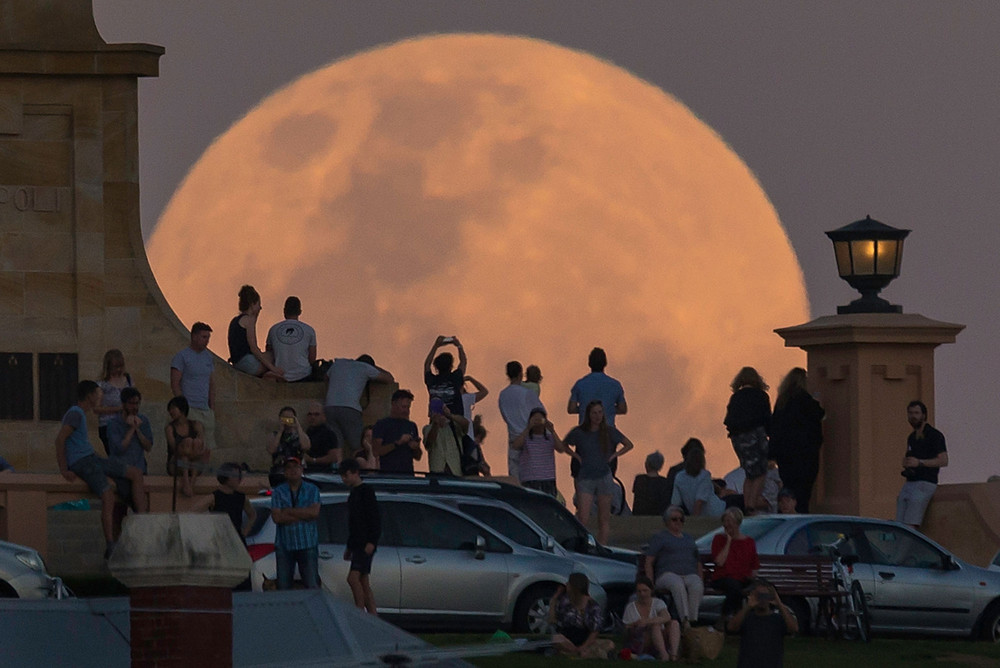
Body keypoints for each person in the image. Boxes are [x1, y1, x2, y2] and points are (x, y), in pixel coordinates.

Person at [55, 381, 147, 559]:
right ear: (89, 395)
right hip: (83, 462)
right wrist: (64, 469)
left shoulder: (80, 414)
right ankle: (111, 543)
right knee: (107, 495)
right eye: (97, 394)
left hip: (91, 458)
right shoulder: (75, 414)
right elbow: (60, 440)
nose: (100, 397)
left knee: (135, 473)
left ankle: (143, 522)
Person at [564, 399, 634, 545]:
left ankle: (602, 546)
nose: (597, 416)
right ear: (589, 414)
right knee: (583, 517)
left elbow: (628, 444)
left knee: (604, 518)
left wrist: (615, 455)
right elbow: (565, 445)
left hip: (604, 476)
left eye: (600, 412)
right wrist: (576, 456)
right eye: (594, 413)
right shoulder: (579, 432)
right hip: (585, 478)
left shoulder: (609, 432)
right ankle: (582, 545)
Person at [769, 367, 825, 513]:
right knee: (803, 492)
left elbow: (774, 428)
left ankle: (786, 513)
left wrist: (772, 454)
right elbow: (819, 414)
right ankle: (800, 515)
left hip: (785, 456)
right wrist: (817, 402)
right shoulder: (804, 399)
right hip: (805, 454)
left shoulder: (782, 402)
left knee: (788, 488)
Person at [199, 462, 256, 590]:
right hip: (220, 542)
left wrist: (245, 532)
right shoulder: (214, 497)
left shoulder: (241, 498)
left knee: (243, 581)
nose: (239, 479)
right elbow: (193, 511)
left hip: (237, 542)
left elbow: (252, 515)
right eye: (236, 475)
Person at [644, 505, 704, 627]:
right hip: (666, 575)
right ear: (667, 521)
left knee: (696, 584)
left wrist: (700, 577)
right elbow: (649, 561)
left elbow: (698, 561)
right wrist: (650, 583)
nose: (678, 522)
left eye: (681, 519)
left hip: (689, 574)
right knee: (677, 584)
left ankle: (693, 619)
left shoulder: (689, 538)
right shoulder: (660, 538)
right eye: (674, 519)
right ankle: (685, 621)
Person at [724, 367, 772, 516]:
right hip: (756, 437)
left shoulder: (736, 397)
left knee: (749, 473)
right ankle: (751, 505)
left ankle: (747, 505)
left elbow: (728, 421)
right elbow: (767, 419)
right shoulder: (761, 396)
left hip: (738, 440)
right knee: (761, 472)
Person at [324, 354, 393, 457]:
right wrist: (375, 368)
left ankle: (336, 469)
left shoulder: (339, 364)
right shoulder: (364, 367)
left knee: (337, 445)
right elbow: (389, 379)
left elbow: (326, 377)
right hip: (350, 409)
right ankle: (357, 470)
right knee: (358, 446)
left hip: (329, 407)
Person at [106, 387, 153, 529]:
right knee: (118, 513)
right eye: (132, 403)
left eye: (137, 403)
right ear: (124, 404)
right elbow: (119, 448)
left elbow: (148, 446)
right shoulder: (113, 424)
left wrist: (137, 429)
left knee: (142, 503)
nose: (135, 407)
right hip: (120, 471)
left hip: (138, 468)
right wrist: (131, 429)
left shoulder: (143, 420)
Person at [896, 400, 948, 529]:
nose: (913, 416)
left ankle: (907, 548)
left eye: (916, 413)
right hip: (910, 481)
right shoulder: (912, 437)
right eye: (910, 413)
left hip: (925, 482)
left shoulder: (934, 435)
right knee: (899, 523)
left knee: (910, 523)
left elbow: (943, 460)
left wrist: (920, 463)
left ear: (924, 415)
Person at [271, 457, 321, 589]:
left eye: (296, 467)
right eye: (289, 467)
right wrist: (304, 514)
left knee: (312, 586)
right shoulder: (278, 491)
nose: (293, 470)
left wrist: (288, 511)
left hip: (307, 543)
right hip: (284, 545)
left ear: (301, 470)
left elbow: (314, 513)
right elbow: (277, 518)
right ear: (285, 472)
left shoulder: (312, 489)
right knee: (283, 587)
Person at [340, 458, 380, 614]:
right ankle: (372, 616)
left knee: (353, 578)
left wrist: (372, 541)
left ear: (355, 473)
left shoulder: (366, 491)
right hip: (357, 543)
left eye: (346, 475)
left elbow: (374, 518)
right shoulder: (353, 494)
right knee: (363, 581)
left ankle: (359, 612)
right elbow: (353, 524)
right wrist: (350, 546)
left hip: (365, 543)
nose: (344, 479)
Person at [728, 579, 798, 668]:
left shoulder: (777, 619)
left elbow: (794, 628)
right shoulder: (747, 618)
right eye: (759, 595)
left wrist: (779, 604)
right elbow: (731, 628)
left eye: (766, 595)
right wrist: (748, 606)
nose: (762, 599)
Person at [170, 321, 217, 450]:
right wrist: (183, 408)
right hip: (190, 408)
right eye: (203, 337)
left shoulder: (208, 357)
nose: (206, 341)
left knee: (207, 446)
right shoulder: (182, 357)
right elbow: (175, 384)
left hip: (205, 409)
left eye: (208, 337)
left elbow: (211, 383)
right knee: (191, 446)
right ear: (194, 336)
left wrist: (212, 407)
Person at [548, 572, 615, 659]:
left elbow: (594, 631)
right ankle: (584, 653)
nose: (566, 585)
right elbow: (552, 620)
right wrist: (554, 600)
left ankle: (573, 653)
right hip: (567, 638)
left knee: (610, 644)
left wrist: (583, 646)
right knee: (556, 639)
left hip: (585, 640)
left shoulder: (592, 606)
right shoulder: (565, 601)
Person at [711, 507, 760, 627]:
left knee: (761, 588)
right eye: (725, 521)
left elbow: (754, 566)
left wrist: (753, 578)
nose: (727, 525)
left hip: (743, 578)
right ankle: (726, 619)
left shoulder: (749, 542)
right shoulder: (719, 539)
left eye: (730, 521)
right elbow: (719, 562)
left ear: (738, 523)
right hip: (723, 577)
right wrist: (728, 541)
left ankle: (741, 622)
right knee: (734, 587)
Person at [497, 360, 544, 480]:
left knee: (515, 478)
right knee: (533, 478)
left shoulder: (502, 395)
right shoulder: (527, 393)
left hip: (513, 437)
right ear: (520, 374)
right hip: (529, 436)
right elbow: (541, 413)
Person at [228, 284, 283, 379]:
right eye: (258, 304)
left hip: (237, 363)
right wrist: (273, 368)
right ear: (252, 304)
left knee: (264, 356)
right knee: (272, 355)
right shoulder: (248, 320)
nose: (260, 308)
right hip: (248, 364)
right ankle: (269, 374)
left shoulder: (235, 320)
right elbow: (253, 348)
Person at [511, 407, 568, 497]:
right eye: (535, 420)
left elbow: (561, 449)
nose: (538, 422)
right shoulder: (526, 438)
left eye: (540, 420)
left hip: (547, 479)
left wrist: (552, 431)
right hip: (529, 479)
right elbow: (515, 445)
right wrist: (528, 428)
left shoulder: (550, 438)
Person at [623, 575, 681, 661]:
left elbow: (666, 617)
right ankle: (664, 654)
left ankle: (673, 654)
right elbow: (626, 628)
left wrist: (647, 621)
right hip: (641, 640)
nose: (642, 594)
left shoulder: (658, 603)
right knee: (655, 627)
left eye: (645, 591)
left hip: (660, 636)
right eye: (639, 591)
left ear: (651, 590)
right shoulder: (631, 607)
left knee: (674, 623)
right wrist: (637, 625)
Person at [567, 347, 627, 426]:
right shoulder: (615, 385)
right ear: (605, 363)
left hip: (585, 433)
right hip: (607, 433)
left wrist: (584, 409)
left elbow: (571, 409)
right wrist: (609, 409)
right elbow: (622, 409)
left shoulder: (580, 384)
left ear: (589, 363)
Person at [265, 296, 317, 382]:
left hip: (279, 375)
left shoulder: (273, 329)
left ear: (284, 311)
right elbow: (312, 359)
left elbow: (269, 353)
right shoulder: (309, 330)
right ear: (300, 312)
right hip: (304, 375)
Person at [164, 395, 209, 497]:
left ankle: (190, 485)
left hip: (194, 463)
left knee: (195, 444)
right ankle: (186, 483)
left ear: (182, 409)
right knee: (186, 447)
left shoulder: (196, 425)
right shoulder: (170, 428)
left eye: (173, 408)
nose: (171, 412)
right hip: (176, 463)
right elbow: (173, 447)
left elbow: (202, 446)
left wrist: (192, 453)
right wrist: (186, 450)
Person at [372, 389, 422, 474]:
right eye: (403, 407)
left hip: (408, 475)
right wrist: (397, 443)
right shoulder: (381, 424)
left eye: (408, 407)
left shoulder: (411, 426)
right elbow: (376, 451)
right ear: (393, 404)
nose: (406, 411)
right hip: (388, 476)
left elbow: (418, 457)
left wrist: (415, 448)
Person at [94, 349, 133, 455]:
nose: (118, 370)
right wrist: (118, 409)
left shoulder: (128, 380)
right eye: (115, 367)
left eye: (120, 366)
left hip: (125, 423)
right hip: (108, 424)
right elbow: (97, 408)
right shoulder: (102, 384)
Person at [671, 447, 726, 517]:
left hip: (703, 514)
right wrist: (695, 521)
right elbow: (699, 502)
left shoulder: (679, 477)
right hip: (716, 512)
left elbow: (676, 502)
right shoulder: (704, 475)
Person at [423, 335, 467, 416]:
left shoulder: (432, 380)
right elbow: (463, 361)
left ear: (436, 366)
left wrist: (435, 346)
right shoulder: (455, 378)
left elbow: (427, 365)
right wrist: (458, 345)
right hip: (455, 423)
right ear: (451, 366)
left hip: (436, 425)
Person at [422, 398, 469, 475]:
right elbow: (429, 444)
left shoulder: (454, 426)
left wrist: (450, 415)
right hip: (437, 471)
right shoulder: (427, 428)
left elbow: (466, 424)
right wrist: (436, 424)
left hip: (455, 471)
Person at [266, 406, 311, 486]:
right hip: (279, 473)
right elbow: (271, 450)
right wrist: (280, 431)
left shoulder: (299, 435)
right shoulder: (274, 435)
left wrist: (298, 427)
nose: (287, 421)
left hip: (297, 473)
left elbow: (306, 446)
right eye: (284, 418)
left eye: (290, 419)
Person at [632, 451, 673, 517]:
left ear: (647, 464)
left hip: (639, 517)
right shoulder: (665, 482)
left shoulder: (639, 479)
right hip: (658, 518)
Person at [303, 401, 339, 473]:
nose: (312, 417)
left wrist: (313, 460)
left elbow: (333, 457)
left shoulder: (328, 434)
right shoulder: (307, 432)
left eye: (316, 414)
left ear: (324, 416)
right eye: (310, 414)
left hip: (322, 472)